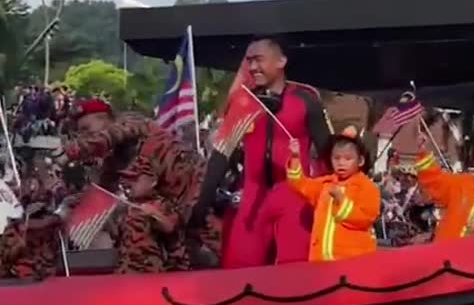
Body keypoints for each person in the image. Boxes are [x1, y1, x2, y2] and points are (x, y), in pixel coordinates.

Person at [199, 35, 333, 268]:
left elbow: (328, 152)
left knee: (296, 269)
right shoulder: (243, 101)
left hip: (294, 195)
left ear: (281, 61)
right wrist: (201, 204)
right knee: (238, 268)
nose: (252, 67)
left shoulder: (305, 100)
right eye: (249, 61)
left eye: (258, 60)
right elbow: (222, 155)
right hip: (252, 194)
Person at [53, 98, 208, 273]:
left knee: (138, 216)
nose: (84, 136)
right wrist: (74, 204)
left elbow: (109, 136)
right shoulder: (114, 160)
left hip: (200, 200)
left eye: (86, 129)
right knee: (139, 215)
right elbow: (103, 193)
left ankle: (137, 282)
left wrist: (72, 151)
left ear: (106, 120)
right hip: (174, 213)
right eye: (79, 133)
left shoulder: (133, 123)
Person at [286, 126, 379, 261]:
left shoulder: (367, 187)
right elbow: (301, 185)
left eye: (348, 159)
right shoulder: (326, 184)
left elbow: (365, 219)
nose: (341, 163)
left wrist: (342, 201)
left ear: (360, 161)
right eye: (336, 158)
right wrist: (295, 157)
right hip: (321, 260)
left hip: (353, 261)